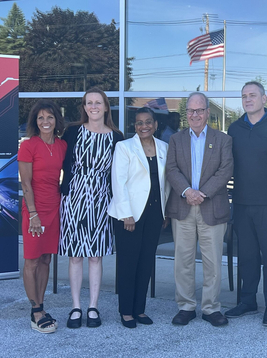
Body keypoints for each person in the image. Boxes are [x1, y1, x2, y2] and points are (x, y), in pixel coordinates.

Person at [225, 81, 267, 327]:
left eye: (252, 95)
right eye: (244, 96)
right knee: (247, 256)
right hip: (242, 203)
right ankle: (248, 301)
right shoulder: (235, 129)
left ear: (264, 99)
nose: (248, 100)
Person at [166, 92, 233, 327]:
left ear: (207, 112)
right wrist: (188, 191)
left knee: (212, 261)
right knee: (182, 260)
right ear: (187, 114)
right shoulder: (176, 139)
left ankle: (211, 308)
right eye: (191, 111)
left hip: (211, 207)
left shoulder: (223, 139)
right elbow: (171, 169)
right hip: (183, 206)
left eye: (199, 110)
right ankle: (185, 306)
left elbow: (225, 170)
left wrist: (201, 193)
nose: (195, 115)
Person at [59, 87, 124, 329]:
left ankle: (93, 306)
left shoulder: (117, 137)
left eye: (98, 102)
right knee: (75, 255)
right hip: (74, 198)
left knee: (95, 256)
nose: (93, 106)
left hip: (101, 200)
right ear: (84, 107)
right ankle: (76, 306)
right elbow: (60, 163)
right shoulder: (73, 132)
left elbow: (119, 174)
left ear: (106, 107)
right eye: (89, 103)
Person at [108, 107, 170, 328]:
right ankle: (126, 311)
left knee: (146, 262)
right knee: (128, 263)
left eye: (148, 122)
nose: (144, 126)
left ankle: (139, 309)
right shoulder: (124, 147)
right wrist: (126, 214)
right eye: (139, 122)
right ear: (134, 126)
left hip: (154, 213)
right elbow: (118, 181)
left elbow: (167, 184)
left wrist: (164, 211)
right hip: (130, 215)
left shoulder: (163, 147)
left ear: (155, 124)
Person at [18, 100, 67, 333]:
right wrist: (34, 214)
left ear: (56, 120)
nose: (45, 122)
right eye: (40, 118)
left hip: (54, 208)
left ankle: (41, 304)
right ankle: (35, 310)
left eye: (49, 117)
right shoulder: (28, 145)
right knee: (32, 259)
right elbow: (25, 183)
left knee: (46, 259)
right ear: (35, 122)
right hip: (34, 209)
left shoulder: (62, 145)